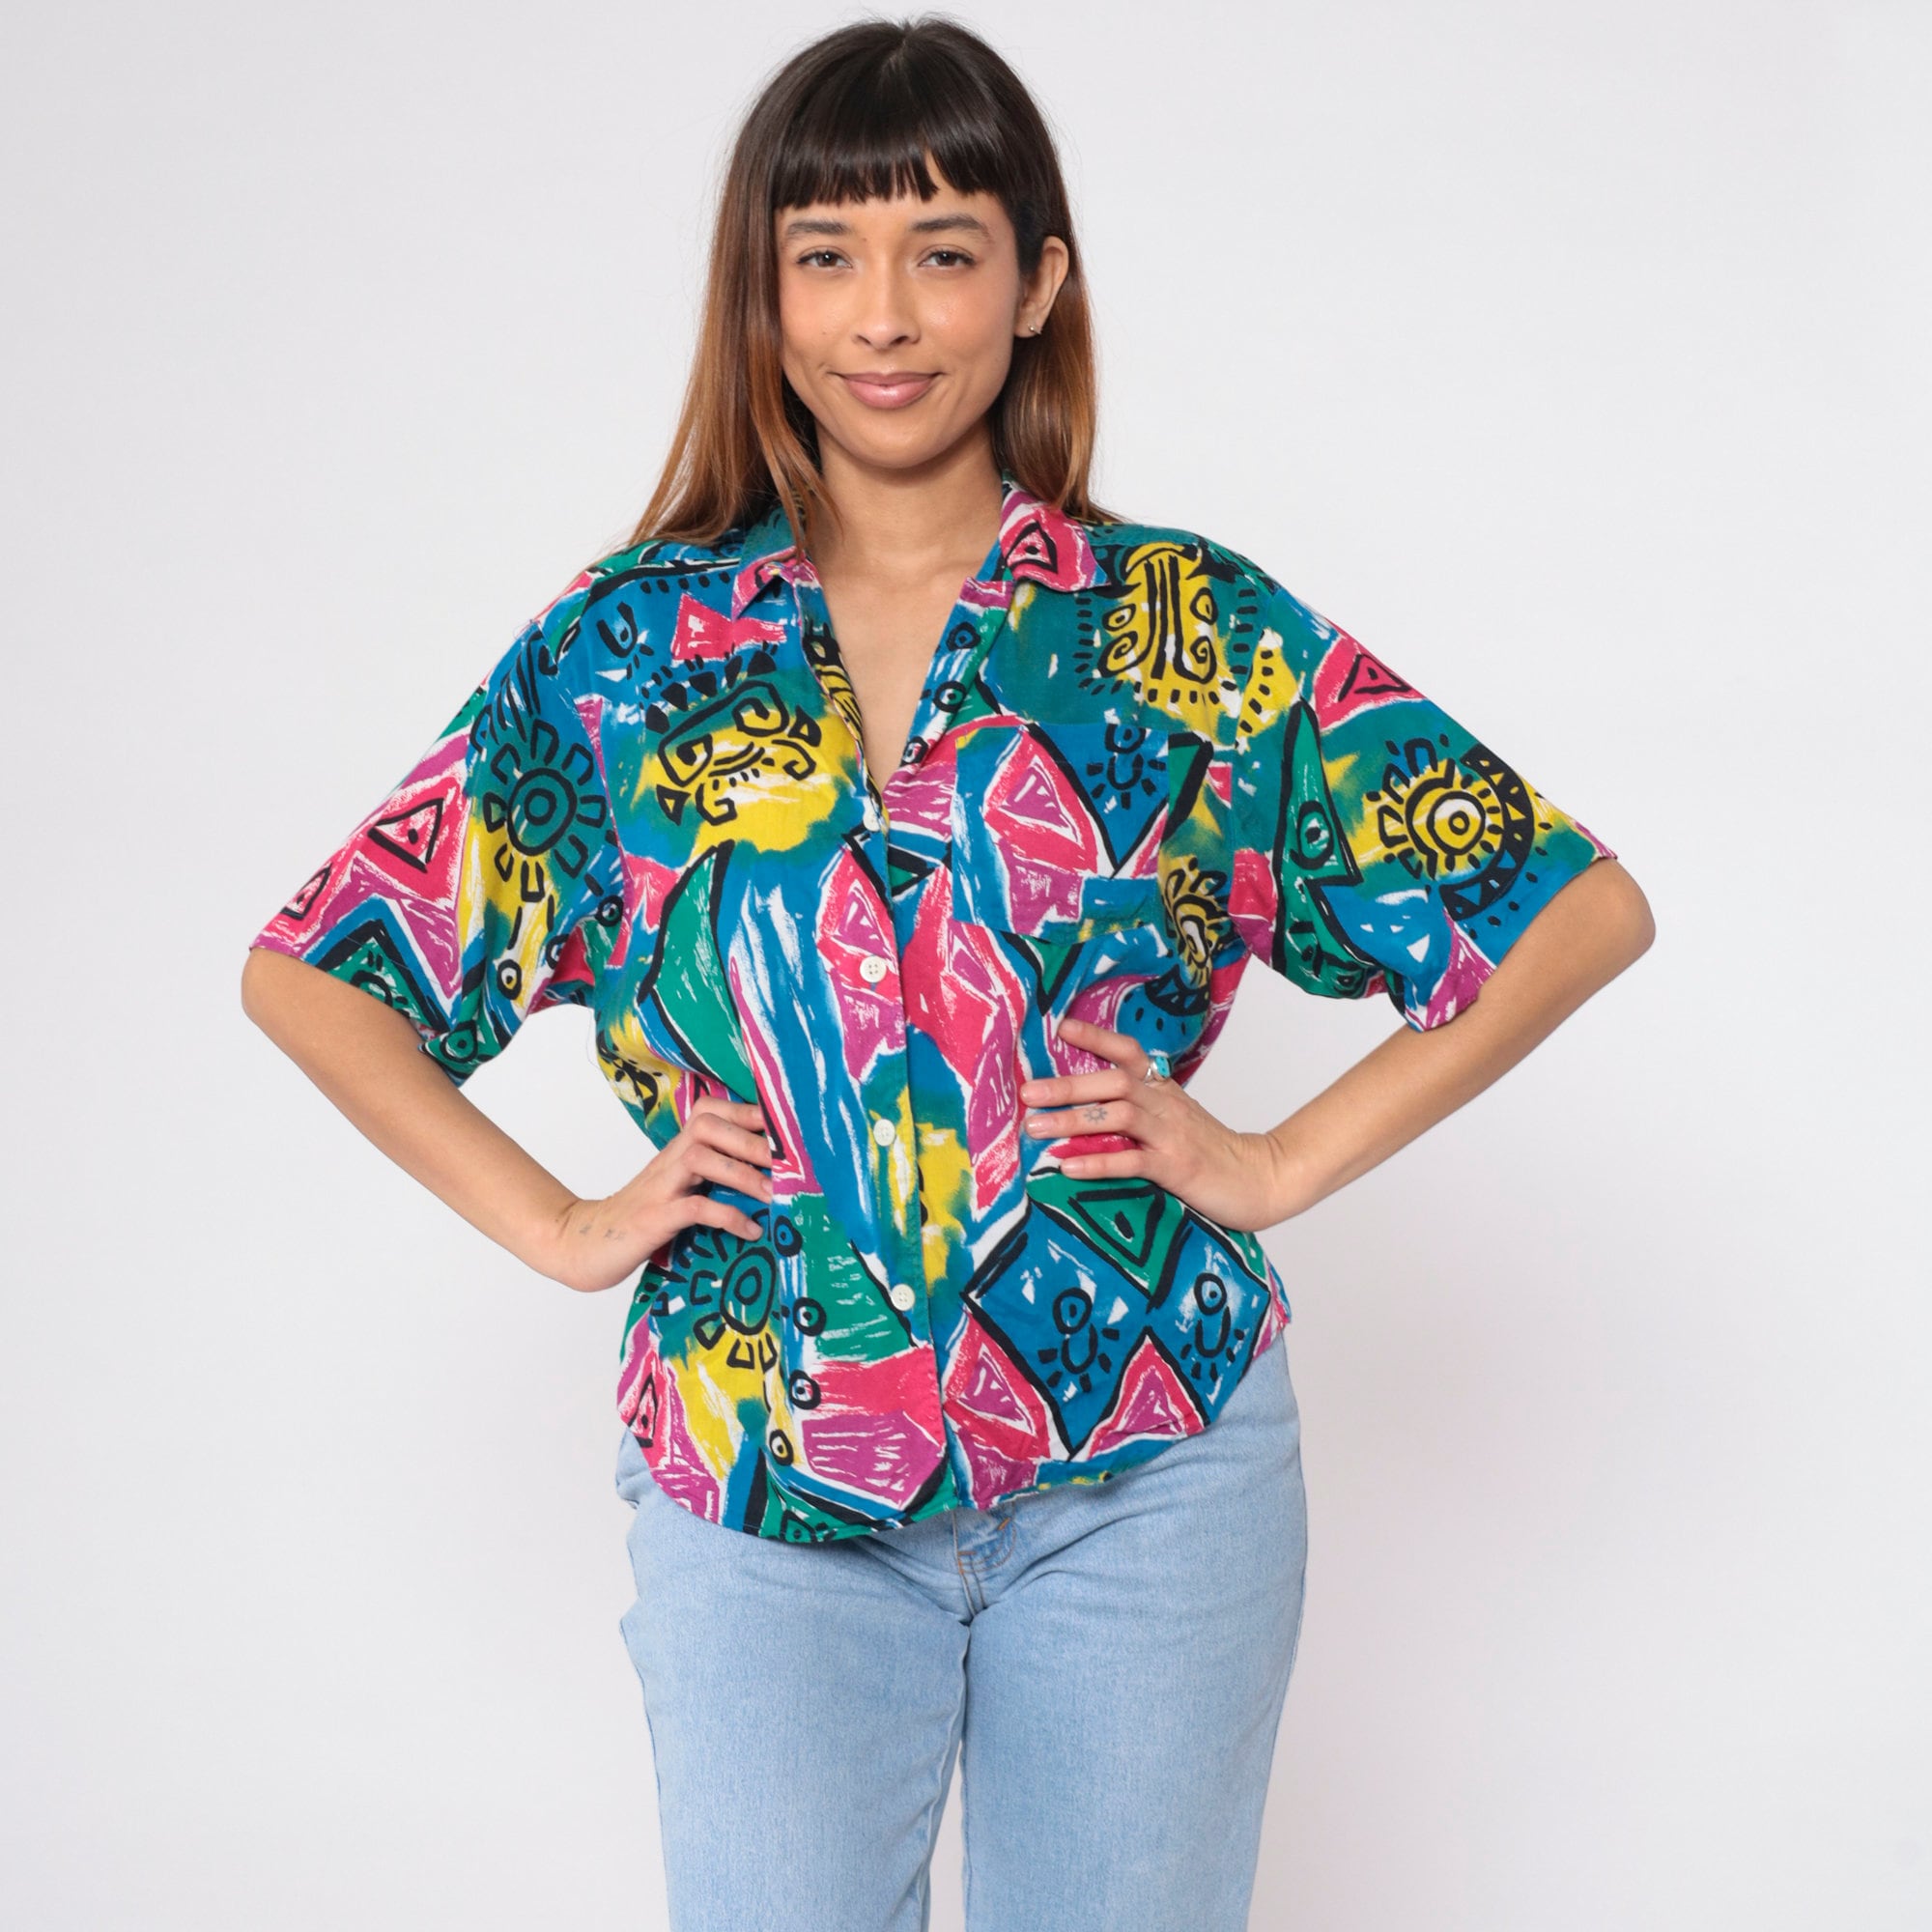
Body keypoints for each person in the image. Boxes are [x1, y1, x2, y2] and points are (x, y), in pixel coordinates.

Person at [241, 15, 1655, 1931]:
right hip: (763, 1467)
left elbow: (1565, 909)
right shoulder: (626, 651)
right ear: (763, 295)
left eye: (944, 249)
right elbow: (324, 971)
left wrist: (1272, 1164)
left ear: (1036, 282)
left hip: (1149, 1464)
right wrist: (568, 1226)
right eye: (825, 255)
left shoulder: (1182, 629)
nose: (884, 315)